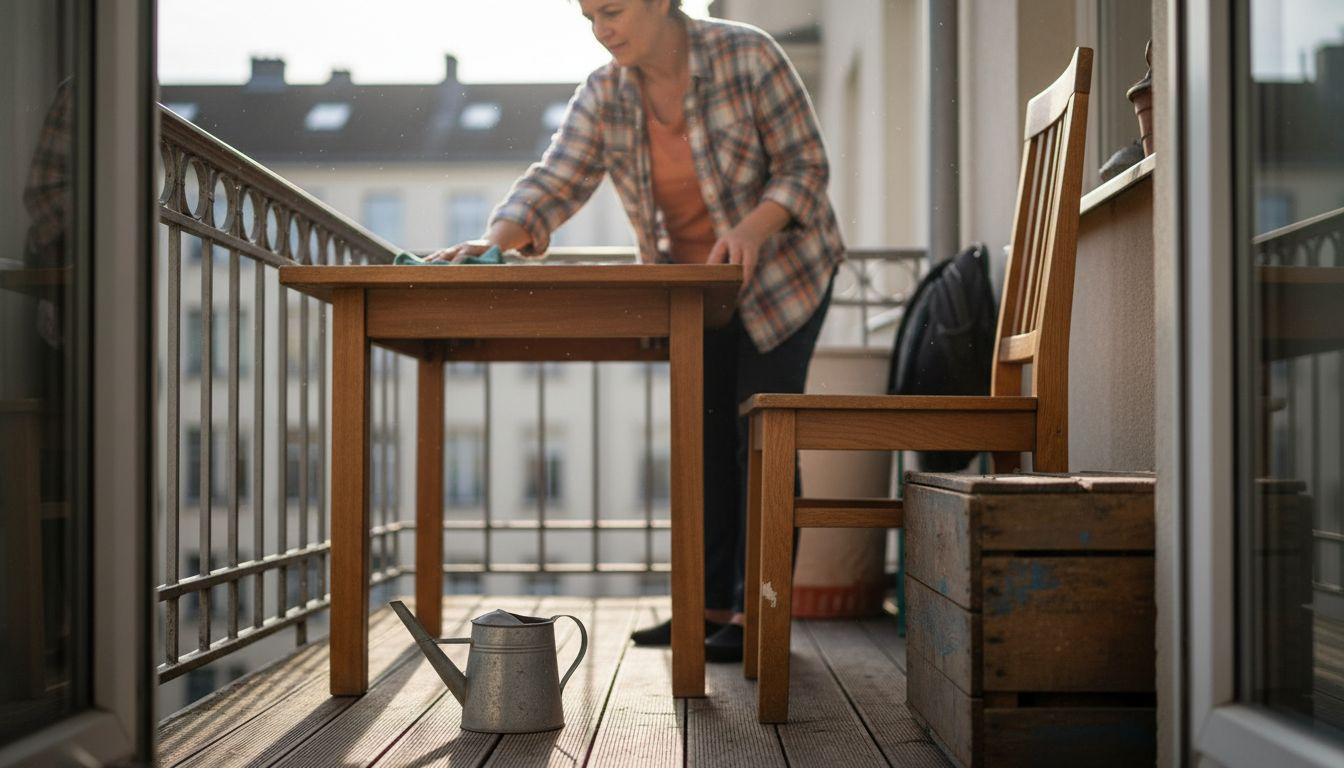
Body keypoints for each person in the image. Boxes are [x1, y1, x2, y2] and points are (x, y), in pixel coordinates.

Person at [431, 0, 844, 661]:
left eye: (614, 10)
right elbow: (554, 181)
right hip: (695, 296)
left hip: (782, 280)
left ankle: (757, 616)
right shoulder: (604, 95)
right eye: (589, 18)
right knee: (705, 443)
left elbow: (806, 167)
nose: (602, 30)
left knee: (760, 438)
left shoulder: (749, 55)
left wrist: (750, 228)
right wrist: (494, 243)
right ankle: (707, 611)